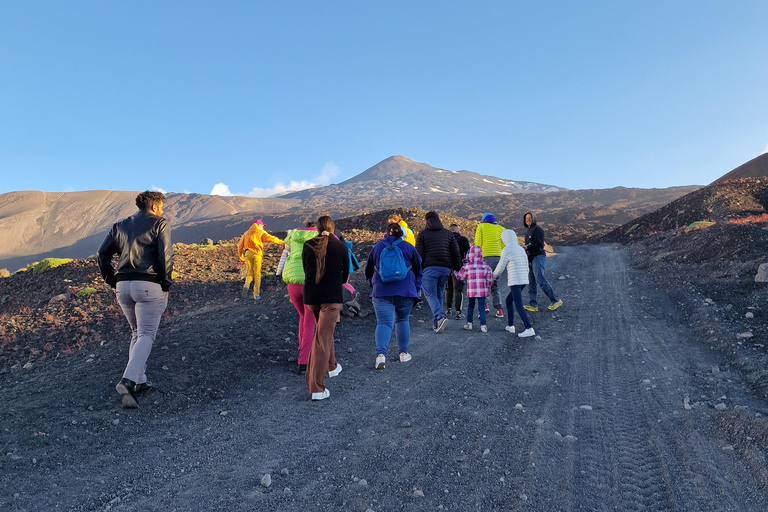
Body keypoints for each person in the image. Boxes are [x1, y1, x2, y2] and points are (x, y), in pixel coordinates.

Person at [97, 191, 173, 409]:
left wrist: (112, 280)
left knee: (136, 333)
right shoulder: (159, 223)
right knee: (147, 334)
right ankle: (128, 380)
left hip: (123, 286)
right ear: (154, 206)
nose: (163, 209)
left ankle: (139, 382)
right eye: (161, 205)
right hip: (148, 285)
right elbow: (164, 256)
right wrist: (165, 284)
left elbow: (101, 254)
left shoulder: (119, 225)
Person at [302, 216, 349, 401]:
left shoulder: (307, 245)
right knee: (322, 338)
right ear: (332, 227)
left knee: (323, 333)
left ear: (317, 228)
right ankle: (316, 388)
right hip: (331, 298)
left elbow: (306, 270)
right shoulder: (340, 246)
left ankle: (332, 366)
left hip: (311, 297)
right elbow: (345, 276)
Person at [365, 223, 423, 369]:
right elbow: (418, 269)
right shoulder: (409, 247)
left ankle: (381, 356)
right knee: (402, 320)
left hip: (381, 292)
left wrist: (374, 285)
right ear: (401, 233)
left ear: (386, 233)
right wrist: (416, 289)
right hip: (405, 291)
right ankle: (403, 354)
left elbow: (368, 270)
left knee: (383, 322)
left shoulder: (377, 247)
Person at [276, 222, 317, 375]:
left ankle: (302, 348)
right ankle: (304, 361)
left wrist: (278, 273)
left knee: (302, 316)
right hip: (309, 282)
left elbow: (284, 254)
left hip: (292, 283)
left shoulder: (292, 235)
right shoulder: (318, 237)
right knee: (309, 322)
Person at [415, 211, 461, 333]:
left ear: (426, 221)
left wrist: (417, 270)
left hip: (429, 269)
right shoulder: (447, 234)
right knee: (439, 293)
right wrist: (457, 268)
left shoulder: (422, 234)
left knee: (430, 294)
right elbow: (455, 252)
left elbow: (419, 255)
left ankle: (440, 317)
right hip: (445, 269)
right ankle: (437, 324)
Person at [493, 229, 536, 338]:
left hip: (515, 280)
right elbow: (526, 265)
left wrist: (491, 277)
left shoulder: (506, 250)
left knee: (518, 304)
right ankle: (511, 326)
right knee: (508, 301)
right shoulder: (520, 249)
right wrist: (525, 277)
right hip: (523, 280)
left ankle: (528, 328)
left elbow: (500, 268)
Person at [523, 211, 563, 312]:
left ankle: (555, 300)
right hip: (531, 258)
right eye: (526, 218)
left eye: (530, 218)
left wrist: (527, 248)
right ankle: (533, 305)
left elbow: (540, 245)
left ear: (534, 219)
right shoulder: (527, 231)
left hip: (539, 256)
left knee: (540, 279)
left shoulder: (538, 229)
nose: (528, 220)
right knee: (531, 281)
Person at [237, 219, 283, 300]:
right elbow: (271, 238)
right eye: (262, 226)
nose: (263, 227)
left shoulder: (246, 233)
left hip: (248, 254)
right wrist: (282, 242)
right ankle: (256, 294)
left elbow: (240, 246)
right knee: (257, 274)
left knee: (249, 274)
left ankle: (246, 286)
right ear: (258, 225)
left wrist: (241, 257)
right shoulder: (261, 232)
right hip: (257, 254)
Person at [473, 212, 506, 318]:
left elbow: (477, 243)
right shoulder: (501, 228)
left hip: (485, 258)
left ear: (484, 219)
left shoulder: (481, 227)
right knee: (495, 284)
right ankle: (499, 310)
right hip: (498, 258)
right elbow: (503, 245)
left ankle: (484, 307)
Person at [454, 245, 493, 333]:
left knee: (470, 306)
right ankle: (483, 326)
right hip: (482, 290)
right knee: (482, 307)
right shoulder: (486, 266)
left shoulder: (467, 266)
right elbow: (490, 279)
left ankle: (469, 323)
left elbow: (460, 277)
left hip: (471, 291)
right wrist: (487, 286)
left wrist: (455, 273)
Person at [445, 224, 470, 318]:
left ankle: (448, 309)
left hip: (447, 266)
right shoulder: (463, 239)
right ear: (457, 230)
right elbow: (468, 254)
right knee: (458, 289)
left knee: (448, 288)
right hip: (459, 267)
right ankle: (458, 312)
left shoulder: (445, 239)